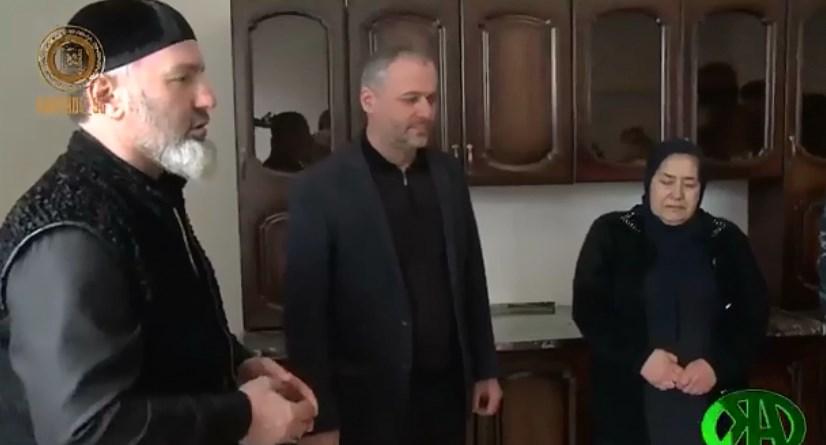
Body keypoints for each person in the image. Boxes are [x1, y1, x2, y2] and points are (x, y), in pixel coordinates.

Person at [0, 1, 317, 444]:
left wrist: (237, 362)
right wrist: (244, 415)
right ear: (105, 96)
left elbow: (164, 327)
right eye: (182, 78)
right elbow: (86, 432)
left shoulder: (148, 193)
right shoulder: (71, 232)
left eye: (201, 75)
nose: (208, 98)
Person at [283, 45, 502, 445]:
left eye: (431, 98)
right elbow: (305, 316)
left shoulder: (448, 175)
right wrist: (320, 416)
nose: (426, 112)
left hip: (444, 397)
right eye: (410, 99)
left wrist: (485, 368)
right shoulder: (321, 187)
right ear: (369, 100)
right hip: (364, 404)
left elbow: (471, 275)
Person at [572, 138, 769, 444]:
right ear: (649, 181)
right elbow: (589, 309)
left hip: (709, 396)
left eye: (689, 184)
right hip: (629, 397)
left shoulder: (725, 238)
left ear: (701, 189)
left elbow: (752, 314)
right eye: (666, 181)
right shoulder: (613, 232)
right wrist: (641, 359)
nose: (677, 194)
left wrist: (717, 365)